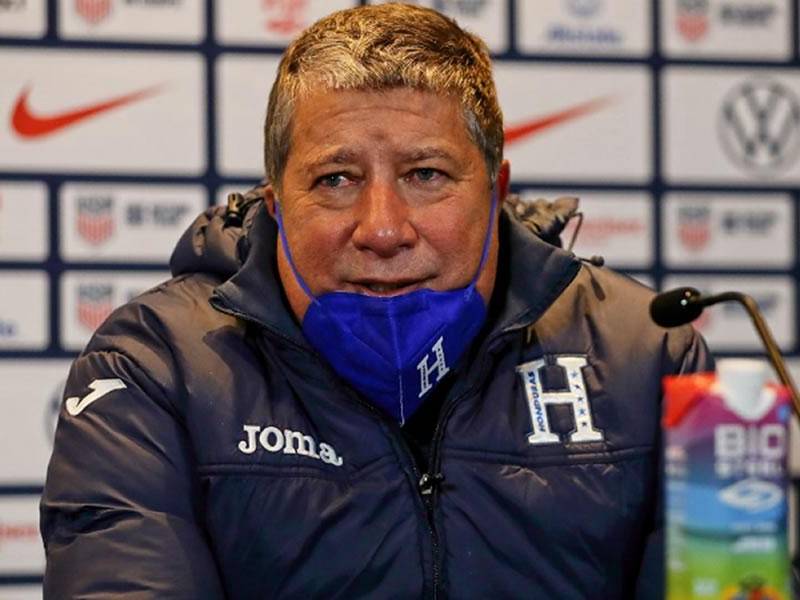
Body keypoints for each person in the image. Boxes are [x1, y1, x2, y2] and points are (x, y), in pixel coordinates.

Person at [40, 4, 712, 598]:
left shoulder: (652, 355)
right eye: (336, 179)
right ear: (277, 202)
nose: (383, 229)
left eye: (426, 174)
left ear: (495, 189)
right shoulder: (154, 367)